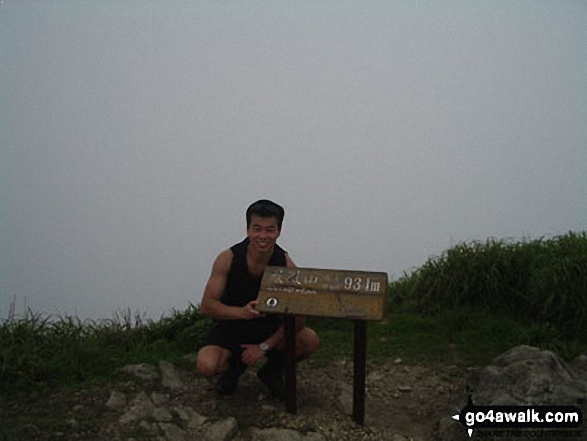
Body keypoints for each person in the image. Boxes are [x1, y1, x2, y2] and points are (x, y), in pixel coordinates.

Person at [196, 200, 320, 400]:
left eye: (270, 230)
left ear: (278, 231)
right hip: (230, 326)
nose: (263, 236)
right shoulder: (228, 258)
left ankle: (272, 371)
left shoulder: (285, 264)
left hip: (267, 328)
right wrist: (241, 313)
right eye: (257, 229)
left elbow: (299, 316)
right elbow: (207, 306)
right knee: (207, 365)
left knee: (309, 340)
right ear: (248, 229)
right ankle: (234, 369)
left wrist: (264, 347)